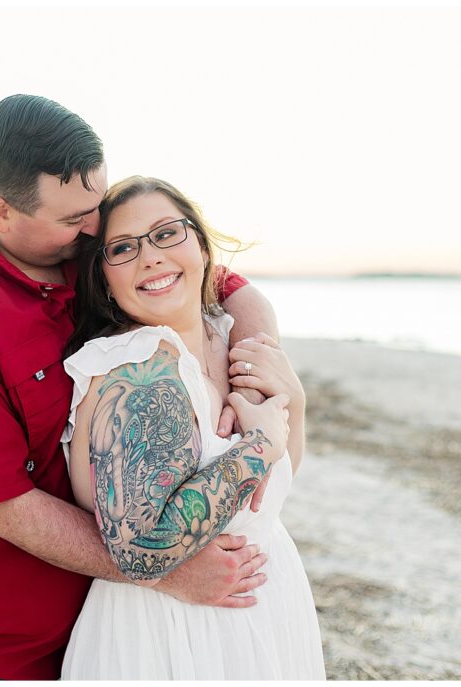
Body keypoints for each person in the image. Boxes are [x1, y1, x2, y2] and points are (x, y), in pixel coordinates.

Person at [0, 95, 282, 681]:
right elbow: (3, 506)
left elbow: (229, 286)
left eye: (96, 206)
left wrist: (254, 378)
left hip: (88, 621)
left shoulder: (88, 246)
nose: (95, 227)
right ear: (1, 212)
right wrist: (163, 566)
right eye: (74, 218)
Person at [60, 175, 324, 679]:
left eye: (165, 234)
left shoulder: (231, 335)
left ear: (201, 246)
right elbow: (140, 548)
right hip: (171, 631)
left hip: (268, 605)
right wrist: (260, 444)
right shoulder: (135, 367)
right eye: (123, 248)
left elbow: (274, 488)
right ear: (104, 278)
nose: (150, 256)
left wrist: (297, 404)